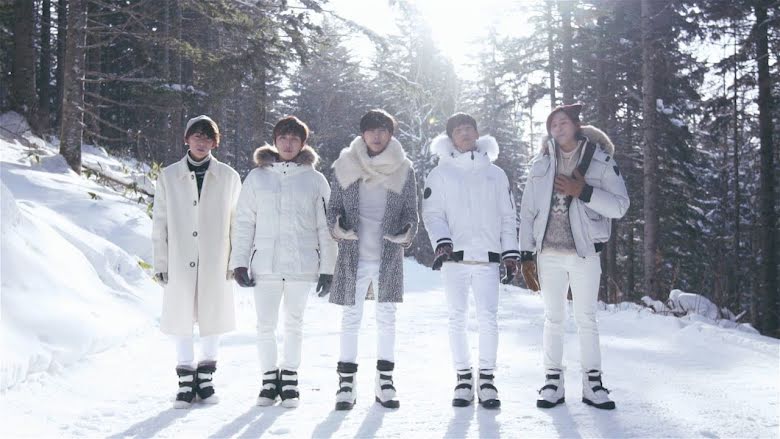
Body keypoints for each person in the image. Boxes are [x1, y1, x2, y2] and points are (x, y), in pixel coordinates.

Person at [519, 103, 629, 410]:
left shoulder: (600, 161)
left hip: (584, 254)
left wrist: (584, 191)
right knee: (553, 318)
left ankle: (593, 384)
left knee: (586, 319)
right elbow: (528, 211)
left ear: (577, 125)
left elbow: (620, 206)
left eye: (563, 122)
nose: (557, 128)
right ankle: (552, 382)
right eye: (552, 124)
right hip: (548, 255)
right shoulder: (541, 163)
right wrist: (526, 254)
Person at [229, 116, 337, 408]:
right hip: (265, 264)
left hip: (301, 264)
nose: (288, 144)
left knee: (294, 323)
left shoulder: (315, 180)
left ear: (303, 143)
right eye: (283, 138)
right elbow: (244, 222)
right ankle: (268, 379)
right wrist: (239, 262)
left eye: (294, 139)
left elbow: (325, 227)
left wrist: (328, 268)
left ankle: (289, 376)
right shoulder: (257, 177)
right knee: (265, 325)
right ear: (275, 141)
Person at [422, 113, 519, 409]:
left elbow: (508, 216)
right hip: (455, 258)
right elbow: (432, 214)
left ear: (477, 134)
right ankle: (464, 378)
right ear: (451, 138)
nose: (464, 133)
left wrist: (510, 252)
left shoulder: (496, 174)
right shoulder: (441, 174)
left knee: (489, 317)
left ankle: (487, 378)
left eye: (468, 128)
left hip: (488, 259)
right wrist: (442, 241)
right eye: (458, 130)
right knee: (457, 317)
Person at [325, 109, 419, 410]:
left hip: (387, 255)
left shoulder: (404, 168)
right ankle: (346, 384)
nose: (377, 136)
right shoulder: (345, 165)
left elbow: (411, 212)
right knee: (350, 318)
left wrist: (406, 231)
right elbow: (333, 209)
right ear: (362, 134)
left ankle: (385, 382)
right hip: (353, 255)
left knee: (387, 318)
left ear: (390, 134)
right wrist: (338, 227)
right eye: (371, 130)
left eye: (383, 130)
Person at [152, 115, 242, 409]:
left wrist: (235, 260)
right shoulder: (169, 176)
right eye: (196, 136)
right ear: (186, 139)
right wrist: (161, 262)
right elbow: (160, 223)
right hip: (180, 257)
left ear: (215, 142)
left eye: (208, 137)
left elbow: (237, 222)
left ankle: (206, 378)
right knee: (181, 317)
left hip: (216, 257)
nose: (202, 142)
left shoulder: (228, 177)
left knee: (212, 315)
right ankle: (185, 380)